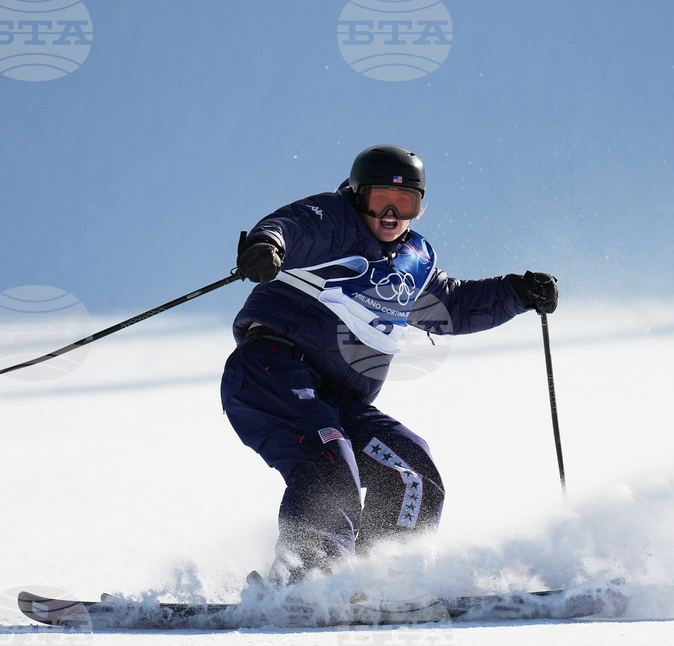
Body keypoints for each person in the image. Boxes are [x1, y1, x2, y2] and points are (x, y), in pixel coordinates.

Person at [222, 145, 557, 587]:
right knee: (329, 459)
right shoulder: (334, 221)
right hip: (273, 370)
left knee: (411, 467)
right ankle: (308, 580)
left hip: (338, 400)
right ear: (358, 196)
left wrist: (516, 292)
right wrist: (268, 246)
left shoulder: (413, 261)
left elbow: (451, 305)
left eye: (406, 204)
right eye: (381, 200)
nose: (391, 214)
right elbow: (291, 227)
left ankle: (384, 580)